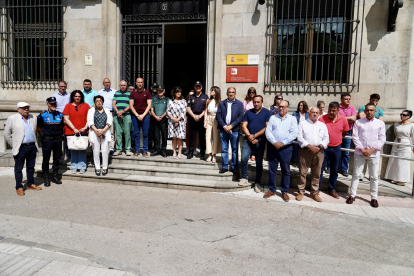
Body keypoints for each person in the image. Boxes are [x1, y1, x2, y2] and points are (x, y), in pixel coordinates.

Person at [346, 103, 386, 208]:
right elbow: (355, 137)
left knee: (373, 177)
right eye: (367, 110)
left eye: (371, 110)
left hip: (374, 154)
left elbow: (382, 138)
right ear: (365, 111)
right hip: (360, 152)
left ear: (375, 111)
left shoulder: (380, 124)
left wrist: (372, 149)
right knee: (356, 174)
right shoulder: (358, 122)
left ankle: (374, 198)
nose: (369, 112)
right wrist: (363, 149)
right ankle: (352, 195)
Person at [4, 102, 42, 196]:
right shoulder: (12, 118)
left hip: (32, 146)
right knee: (18, 168)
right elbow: (6, 134)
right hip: (21, 147)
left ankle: (30, 184)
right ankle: (19, 187)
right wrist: (15, 145)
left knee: (30, 167)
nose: (26, 109)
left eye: (28, 107)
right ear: (18, 109)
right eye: (24, 108)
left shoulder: (33, 117)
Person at [263, 100, 298, 201]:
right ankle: (272, 190)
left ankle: (284, 191)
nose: (281, 108)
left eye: (283, 107)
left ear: (288, 108)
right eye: (279, 106)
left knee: (285, 170)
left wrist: (283, 143)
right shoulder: (273, 118)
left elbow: (294, 134)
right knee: (272, 169)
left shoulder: (292, 119)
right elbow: (268, 131)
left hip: (286, 148)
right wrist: (274, 142)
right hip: (273, 147)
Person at [296, 107, 329, 202]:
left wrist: (319, 147)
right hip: (305, 150)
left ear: (319, 114)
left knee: (317, 173)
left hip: (319, 151)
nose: (314, 114)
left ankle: (314, 192)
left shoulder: (322, 125)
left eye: (316, 112)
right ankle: (301, 191)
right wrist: (310, 146)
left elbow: (326, 138)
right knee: (303, 172)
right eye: (312, 112)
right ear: (309, 113)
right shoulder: (303, 124)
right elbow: (299, 137)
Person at [239, 95, 271, 192]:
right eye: (255, 102)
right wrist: (249, 136)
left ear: (262, 102)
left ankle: (257, 183)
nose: (256, 104)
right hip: (247, 140)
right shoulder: (248, 112)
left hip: (260, 141)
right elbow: (244, 126)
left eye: (258, 102)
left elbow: (267, 128)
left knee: (258, 162)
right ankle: (244, 178)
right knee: (244, 158)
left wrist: (255, 136)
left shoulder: (267, 113)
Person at [318, 101, 349, 198]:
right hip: (324, 148)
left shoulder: (343, 119)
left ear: (338, 111)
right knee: (320, 169)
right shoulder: (322, 119)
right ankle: (316, 189)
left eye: (333, 111)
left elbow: (344, 132)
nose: (331, 112)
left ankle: (332, 189)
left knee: (334, 170)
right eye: (330, 110)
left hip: (336, 148)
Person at [216, 87, 244, 177]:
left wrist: (231, 126)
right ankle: (224, 166)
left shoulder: (239, 104)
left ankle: (234, 167)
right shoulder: (222, 103)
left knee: (235, 150)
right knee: (224, 149)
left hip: (234, 130)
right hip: (223, 129)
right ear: (227, 93)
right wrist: (225, 126)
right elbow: (218, 116)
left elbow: (240, 117)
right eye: (229, 92)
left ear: (235, 93)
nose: (231, 94)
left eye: (233, 92)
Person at [37, 97, 64, 187]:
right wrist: (43, 137)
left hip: (57, 140)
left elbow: (61, 127)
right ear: (47, 104)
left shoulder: (60, 115)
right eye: (52, 104)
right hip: (47, 140)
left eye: (55, 104)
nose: (54, 105)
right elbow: (38, 128)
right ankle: (46, 177)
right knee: (46, 160)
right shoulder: (42, 115)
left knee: (56, 159)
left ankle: (55, 176)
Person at [63, 90, 90, 174]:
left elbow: (89, 118)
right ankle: (74, 166)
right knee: (73, 149)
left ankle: (82, 166)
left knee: (82, 148)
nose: (77, 98)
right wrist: (74, 128)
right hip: (71, 130)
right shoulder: (68, 106)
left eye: (79, 96)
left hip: (83, 130)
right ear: (73, 97)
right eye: (76, 96)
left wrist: (85, 127)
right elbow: (66, 118)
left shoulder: (86, 106)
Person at [384, 110, 414, 186]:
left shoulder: (412, 125)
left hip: (406, 144)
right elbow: (396, 133)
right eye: (401, 114)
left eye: (404, 115)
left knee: (404, 162)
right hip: (396, 143)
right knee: (395, 160)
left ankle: (402, 180)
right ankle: (394, 178)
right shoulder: (396, 124)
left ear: (408, 116)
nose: (401, 116)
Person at [88, 95, 113, 176]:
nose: (98, 102)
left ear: (103, 102)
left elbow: (109, 121)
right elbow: (90, 122)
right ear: (94, 102)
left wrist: (102, 131)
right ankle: (97, 167)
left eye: (100, 101)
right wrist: (97, 131)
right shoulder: (91, 110)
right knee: (96, 151)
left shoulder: (107, 110)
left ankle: (105, 167)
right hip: (95, 132)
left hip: (104, 132)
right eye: (97, 101)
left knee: (105, 151)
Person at [129, 77, 152, 157]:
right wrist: (137, 115)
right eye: (138, 82)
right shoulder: (133, 93)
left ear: (143, 83)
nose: (140, 84)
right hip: (136, 116)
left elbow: (149, 105)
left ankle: (145, 151)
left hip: (145, 116)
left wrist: (142, 115)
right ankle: (137, 150)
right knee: (136, 134)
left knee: (145, 133)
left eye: (141, 82)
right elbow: (131, 106)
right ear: (136, 83)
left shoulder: (147, 92)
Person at [187, 81, 208, 160]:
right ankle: (190, 152)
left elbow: (206, 109)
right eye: (196, 86)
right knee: (192, 136)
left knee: (202, 137)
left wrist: (199, 116)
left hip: (202, 118)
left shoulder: (206, 97)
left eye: (199, 86)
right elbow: (188, 108)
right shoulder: (191, 97)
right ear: (194, 87)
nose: (198, 87)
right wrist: (194, 116)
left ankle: (202, 153)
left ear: (202, 87)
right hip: (192, 118)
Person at [112, 80, 132, 156]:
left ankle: (127, 149)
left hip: (126, 115)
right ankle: (118, 149)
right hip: (117, 115)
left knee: (127, 133)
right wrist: (117, 112)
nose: (122, 86)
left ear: (126, 86)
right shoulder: (116, 93)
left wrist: (122, 111)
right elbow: (113, 104)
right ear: (119, 86)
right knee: (118, 133)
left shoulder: (130, 93)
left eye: (124, 85)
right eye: (121, 85)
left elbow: (131, 105)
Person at [338, 93, 357, 177]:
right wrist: (347, 119)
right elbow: (336, 118)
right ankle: (331, 167)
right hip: (338, 132)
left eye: (349, 98)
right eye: (346, 99)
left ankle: (344, 169)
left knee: (346, 152)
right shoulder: (337, 107)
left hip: (348, 132)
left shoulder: (352, 108)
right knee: (335, 151)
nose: (348, 100)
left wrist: (342, 118)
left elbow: (353, 118)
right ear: (341, 100)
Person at [52, 80, 71, 161]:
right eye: (61, 86)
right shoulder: (54, 96)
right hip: (58, 118)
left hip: (68, 119)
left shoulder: (70, 96)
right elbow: (52, 107)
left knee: (68, 138)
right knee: (58, 138)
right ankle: (59, 157)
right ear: (58, 87)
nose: (63, 88)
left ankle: (68, 156)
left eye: (64, 86)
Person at [167, 86, 187, 158]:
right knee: (174, 138)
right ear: (174, 93)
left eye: (180, 92)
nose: (179, 93)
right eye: (177, 92)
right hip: (172, 122)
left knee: (180, 137)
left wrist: (178, 119)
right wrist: (173, 118)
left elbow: (184, 111)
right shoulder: (170, 101)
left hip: (181, 121)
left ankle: (180, 153)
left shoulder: (183, 101)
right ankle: (174, 152)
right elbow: (168, 111)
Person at [98, 78, 116, 154]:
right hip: (102, 113)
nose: (107, 84)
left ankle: (111, 148)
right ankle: (101, 147)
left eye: (108, 82)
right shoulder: (99, 92)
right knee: (101, 130)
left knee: (111, 131)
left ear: (110, 83)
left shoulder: (115, 92)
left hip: (111, 113)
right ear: (103, 83)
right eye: (105, 82)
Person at [151, 85, 169, 157]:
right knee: (156, 136)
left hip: (163, 120)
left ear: (164, 91)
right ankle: (157, 149)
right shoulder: (154, 99)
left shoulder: (167, 99)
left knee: (164, 136)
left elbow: (168, 110)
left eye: (161, 90)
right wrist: (156, 117)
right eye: (159, 90)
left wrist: (161, 116)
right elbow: (152, 110)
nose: (160, 92)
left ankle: (163, 150)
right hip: (155, 119)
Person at [204, 86, 222, 163]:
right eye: (210, 90)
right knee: (208, 137)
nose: (210, 91)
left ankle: (214, 154)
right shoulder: (208, 100)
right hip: (209, 117)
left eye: (212, 90)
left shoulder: (221, 101)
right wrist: (205, 121)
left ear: (216, 92)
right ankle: (210, 153)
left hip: (216, 118)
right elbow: (206, 111)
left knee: (216, 137)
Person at [291, 101, 309, 167]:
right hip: (296, 133)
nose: (300, 107)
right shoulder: (295, 113)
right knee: (295, 148)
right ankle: (294, 161)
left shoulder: (308, 114)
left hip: (304, 134)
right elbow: (292, 123)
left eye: (301, 105)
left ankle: (301, 162)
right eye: (299, 105)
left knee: (302, 148)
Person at [242, 87, 257, 161]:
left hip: (254, 122)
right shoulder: (245, 101)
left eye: (253, 92)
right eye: (250, 92)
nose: (251, 94)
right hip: (247, 122)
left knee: (254, 137)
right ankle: (248, 153)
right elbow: (243, 111)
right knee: (248, 138)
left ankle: (253, 154)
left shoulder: (256, 101)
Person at [185, 90, 199, 155]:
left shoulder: (196, 101)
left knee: (196, 135)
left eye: (192, 95)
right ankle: (188, 148)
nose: (191, 96)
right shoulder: (185, 102)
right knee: (187, 135)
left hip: (196, 118)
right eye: (189, 95)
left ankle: (195, 149)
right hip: (187, 119)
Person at [148, 82, 158, 150]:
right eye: (153, 87)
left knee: (156, 131)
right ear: (151, 88)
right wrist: (149, 112)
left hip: (156, 116)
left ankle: (156, 145)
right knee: (149, 131)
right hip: (149, 116)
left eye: (156, 87)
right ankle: (149, 145)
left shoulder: (159, 96)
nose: (155, 88)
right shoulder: (148, 95)